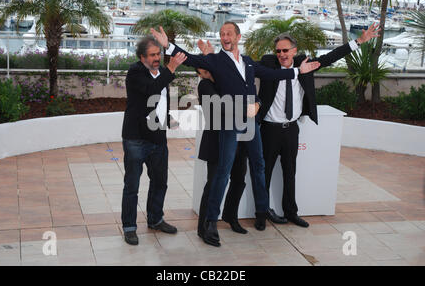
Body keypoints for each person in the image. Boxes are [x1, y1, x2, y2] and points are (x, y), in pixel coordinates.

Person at [151, 22, 321, 246]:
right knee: (222, 173)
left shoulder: (248, 62)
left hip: (251, 124)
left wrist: (297, 72)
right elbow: (190, 58)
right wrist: (169, 46)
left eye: (229, 33)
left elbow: (271, 75)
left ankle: (262, 213)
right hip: (229, 125)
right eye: (222, 34)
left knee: (258, 166)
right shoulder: (215, 60)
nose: (225, 37)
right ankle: (211, 223)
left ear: (238, 37)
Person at [257, 24, 380, 228]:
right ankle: (261, 215)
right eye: (278, 51)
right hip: (269, 129)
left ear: (294, 51)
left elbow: (330, 57)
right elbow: (246, 67)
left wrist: (358, 41)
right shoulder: (269, 64)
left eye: (285, 50)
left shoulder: (304, 63)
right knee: (265, 173)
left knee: (290, 173)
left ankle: (291, 213)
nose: (281, 54)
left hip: (291, 129)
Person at [121, 36, 187, 245]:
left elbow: (158, 102)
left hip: (158, 137)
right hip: (136, 139)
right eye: (152, 55)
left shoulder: (160, 74)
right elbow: (151, 90)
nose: (157, 58)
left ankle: (155, 219)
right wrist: (171, 68)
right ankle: (130, 227)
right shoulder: (135, 72)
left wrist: (167, 118)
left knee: (160, 182)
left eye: (158, 54)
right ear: (142, 57)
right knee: (132, 185)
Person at [196, 66, 249, 247]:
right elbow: (222, 106)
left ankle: (230, 216)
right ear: (200, 74)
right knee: (213, 183)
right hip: (217, 141)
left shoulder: (227, 82)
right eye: (205, 71)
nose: (210, 72)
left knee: (239, 179)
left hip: (238, 138)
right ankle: (204, 227)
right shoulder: (205, 86)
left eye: (210, 69)